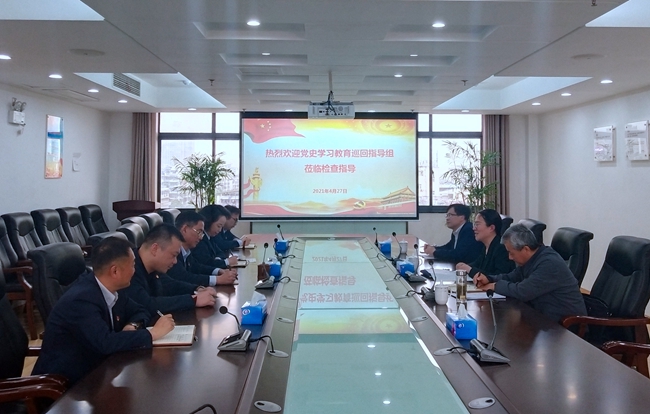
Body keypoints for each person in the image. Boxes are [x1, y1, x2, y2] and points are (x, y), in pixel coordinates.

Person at [32, 237, 175, 385]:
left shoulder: (112, 289)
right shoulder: (81, 300)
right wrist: (152, 334)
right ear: (115, 271)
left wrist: (132, 325)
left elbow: (140, 310)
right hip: (63, 385)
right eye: (133, 265)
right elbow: (105, 343)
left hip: (97, 372)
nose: (135, 270)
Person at [473, 224, 587, 323]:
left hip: (564, 327)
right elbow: (512, 277)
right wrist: (489, 279)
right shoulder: (534, 258)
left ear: (526, 249)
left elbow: (522, 291)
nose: (510, 257)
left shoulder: (549, 263)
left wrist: (494, 286)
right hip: (543, 320)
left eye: (511, 253)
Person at [119, 224, 218, 315]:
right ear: (155, 249)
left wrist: (197, 289)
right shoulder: (129, 269)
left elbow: (170, 284)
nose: (175, 261)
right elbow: (147, 304)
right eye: (173, 255)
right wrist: (193, 300)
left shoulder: (153, 268)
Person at [168, 211, 238, 286]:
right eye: (199, 232)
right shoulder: (172, 252)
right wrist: (218, 279)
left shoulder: (186, 251)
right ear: (185, 229)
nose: (201, 237)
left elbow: (196, 267)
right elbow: (184, 277)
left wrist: (218, 271)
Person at [456, 209, 515, 277]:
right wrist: (464, 266)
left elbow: (499, 276)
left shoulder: (502, 248)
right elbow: (477, 264)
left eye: (477, 224)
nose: (474, 228)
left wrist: (469, 269)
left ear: (491, 228)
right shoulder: (486, 246)